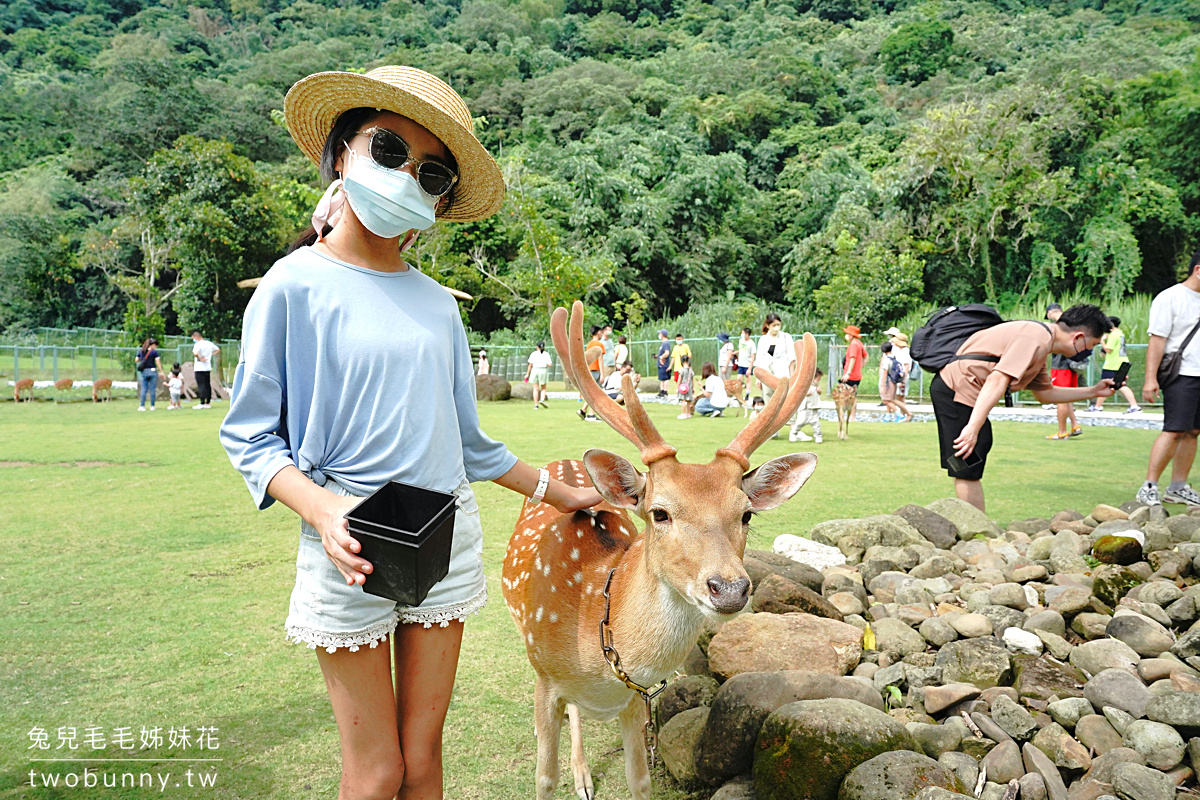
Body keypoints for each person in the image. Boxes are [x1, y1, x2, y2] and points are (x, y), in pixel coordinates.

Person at [217, 66, 601, 800]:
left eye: (430, 172)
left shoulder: (437, 306)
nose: (403, 177)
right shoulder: (292, 286)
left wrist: (561, 494)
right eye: (387, 149)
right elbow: (250, 439)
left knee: (423, 764)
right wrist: (325, 511)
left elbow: (469, 443)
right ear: (340, 154)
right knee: (376, 770)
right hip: (350, 548)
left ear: (440, 202)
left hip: (445, 544)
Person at [932, 304, 1114, 511]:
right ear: (1078, 337)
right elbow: (997, 379)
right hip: (954, 389)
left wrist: (1095, 391)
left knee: (974, 453)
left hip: (961, 392)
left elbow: (1046, 394)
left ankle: (976, 528)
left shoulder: (1042, 341)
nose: (1089, 351)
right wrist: (973, 427)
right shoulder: (1035, 338)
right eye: (1092, 344)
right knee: (967, 460)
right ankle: (975, 533)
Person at [1138, 250, 1200, 507]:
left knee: (1193, 431)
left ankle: (1178, 486)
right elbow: (1157, 340)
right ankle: (1149, 485)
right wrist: (1150, 379)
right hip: (1181, 374)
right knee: (1174, 429)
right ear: (1198, 269)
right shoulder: (1171, 298)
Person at [1090, 316, 1141, 413]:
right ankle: (1134, 406)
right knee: (1120, 385)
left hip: (1113, 364)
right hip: (1121, 362)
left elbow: (1109, 350)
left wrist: (1102, 341)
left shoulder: (1113, 335)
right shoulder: (1120, 334)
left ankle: (1097, 407)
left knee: (1107, 385)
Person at [578, 326, 606, 421]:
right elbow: (600, 360)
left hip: (589, 369)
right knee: (595, 394)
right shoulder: (600, 344)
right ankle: (590, 414)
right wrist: (602, 374)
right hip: (596, 370)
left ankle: (584, 410)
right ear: (598, 332)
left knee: (592, 392)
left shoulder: (589, 344)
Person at [841, 324, 867, 422]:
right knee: (853, 395)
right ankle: (852, 416)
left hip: (851, 375)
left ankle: (848, 416)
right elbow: (866, 356)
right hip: (856, 375)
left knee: (847, 395)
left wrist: (848, 373)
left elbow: (852, 359)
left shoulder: (853, 345)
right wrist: (860, 367)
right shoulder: (859, 343)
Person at [789, 368, 823, 443]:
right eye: (817, 379)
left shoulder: (817, 386)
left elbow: (819, 392)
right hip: (805, 408)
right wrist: (806, 393)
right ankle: (793, 433)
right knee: (799, 423)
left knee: (816, 424)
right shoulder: (804, 385)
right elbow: (799, 394)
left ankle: (818, 436)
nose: (818, 381)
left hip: (813, 407)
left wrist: (819, 391)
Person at [191, 330, 220, 410]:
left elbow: (195, 353)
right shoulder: (209, 343)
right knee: (207, 385)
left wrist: (200, 358)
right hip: (207, 367)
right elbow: (218, 349)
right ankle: (208, 402)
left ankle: (202, 402)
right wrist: (211, 355)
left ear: (196, 337)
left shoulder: (198, 344)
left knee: (201, 385)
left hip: (199, 367)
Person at [135, 337, 164, 412]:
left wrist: (143, 360)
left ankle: (142, 406)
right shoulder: (154, 352)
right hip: (152, 371)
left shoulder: (141, 351)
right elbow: (158, 362)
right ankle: (152, 406)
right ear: (152, 345)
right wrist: (161, 371)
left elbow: (136, 360)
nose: (156, 347)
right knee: (152, 389)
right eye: (155, 345)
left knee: (144, 389)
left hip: (144, 371)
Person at [890, 332, 914, 419]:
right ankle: (903, 415)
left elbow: (906, 366)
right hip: (896, 376)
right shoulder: (897, 350)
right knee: (898, 396)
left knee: (899, 397)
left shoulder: (906, 352)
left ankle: (906, 414)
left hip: (901, 377)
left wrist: (902, 379)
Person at [523, 341, 552, 410]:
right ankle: (542, 399)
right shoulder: (546, 354)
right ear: (544, 347)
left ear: (537, 347)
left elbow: (530, 364)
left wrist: (527, 374)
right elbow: (549, 365)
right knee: (543, 388)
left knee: (535, 388)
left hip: (535, 370)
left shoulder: (534, 354)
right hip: (543, 370)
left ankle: (536, 405)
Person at [737, 327, 756, 397]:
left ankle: (747, 394)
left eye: (743, 333)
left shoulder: (751, 343)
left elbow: (753, 356)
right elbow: (741, 350)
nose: (742, 334)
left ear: (747, 334)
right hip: (740, 364)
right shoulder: (741, 341)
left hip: (747, 365)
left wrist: (750, 368)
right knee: (738, 379)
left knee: (748, 380)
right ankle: (739, 394)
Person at [656, 329, 672, 397]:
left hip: (664, 364)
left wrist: (661, 357)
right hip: (660, 365)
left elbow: (667, 353)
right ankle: (662, 391)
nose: (659, 335)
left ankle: (665, 391)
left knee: (665, 378)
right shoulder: (663, 343)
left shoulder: (666, 343)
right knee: (661, 378)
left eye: (660, 334)